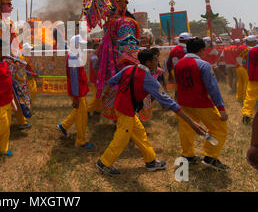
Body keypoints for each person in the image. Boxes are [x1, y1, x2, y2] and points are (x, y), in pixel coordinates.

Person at [95, 49, 206, 176]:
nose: (157, 62)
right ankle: (104, 163)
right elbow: (168, 102)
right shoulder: (148, 79)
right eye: (155, 60)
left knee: (140, 134)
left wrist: (104, 93)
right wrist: (191, 122)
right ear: (148, 63)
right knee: (121, 138)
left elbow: (112, 81)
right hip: (126, 110)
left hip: (121, 107)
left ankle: (151, 161)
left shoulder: (129, 68)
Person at [174, 38, 229, 171]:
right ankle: (210, 157)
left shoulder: (179, 64)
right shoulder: (204, 65)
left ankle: (188, 155)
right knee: (219, 128)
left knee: (186, 128)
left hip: (183, 102)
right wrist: (221, 107)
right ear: (201, 50)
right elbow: (212, 88)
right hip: (201, 103)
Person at [58, 35, 94, 150]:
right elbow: (74, 80)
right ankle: (81, 142)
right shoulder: (73, 58)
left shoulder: (74, 56)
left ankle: (63, 126)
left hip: (79, 92)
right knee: (82, 118)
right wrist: (76, 97)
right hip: (78, 93)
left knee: (78, 112)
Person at [167, 32, 191, 98]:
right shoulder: (187, 50)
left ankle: (177, 102)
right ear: (186, 41)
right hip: (185, 72)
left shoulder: (173, 49)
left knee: (177, 88)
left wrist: (169, 73)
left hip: (174, 71)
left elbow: (168, 63)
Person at [242, 35, 258, 125]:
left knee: (250, 97)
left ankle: (247, 113)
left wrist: (249, 75)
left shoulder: (251, 50)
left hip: (254, 78)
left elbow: (248, 64)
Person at [87, 42, 102, 115]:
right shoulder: (95, 58)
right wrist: (99, 79)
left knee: (98, 95)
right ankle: (88, 110)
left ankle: (97, 110)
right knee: (96, 96)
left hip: (95, 79)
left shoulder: (95, 56)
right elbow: (95, 70)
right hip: (96, 80)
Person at [236, 38, 252, 103]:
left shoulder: (238, 47)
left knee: (240, 82)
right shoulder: (249, 48)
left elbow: (238, 58)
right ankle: (245, 98)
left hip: (238, 67)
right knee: (246, 83)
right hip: (245, 67)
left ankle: (239, 97)